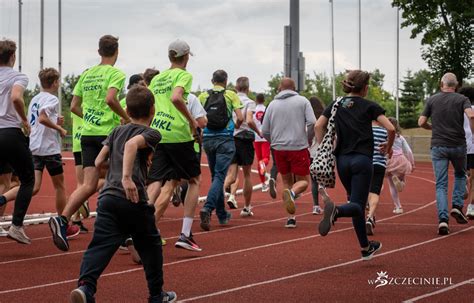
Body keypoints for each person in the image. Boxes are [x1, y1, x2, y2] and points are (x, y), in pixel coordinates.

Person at [70, 85, 176, 303]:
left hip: (107, 198)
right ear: (153, 110)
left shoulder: (115, 131)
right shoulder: (152, 133)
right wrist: (126, 177)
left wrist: (116, 169)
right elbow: (131, 145)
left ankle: (86, 287)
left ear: (127, 109)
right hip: (133, 198)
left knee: (99, 245)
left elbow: (99, 162)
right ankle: (157, 295)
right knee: (152, 245)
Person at [49, 35, 129, 251]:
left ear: (98, 51)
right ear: (117, 51)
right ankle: (122, 232)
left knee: (88, 184)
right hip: (108, 134)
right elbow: (111, 99)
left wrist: (90, 118)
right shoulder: (116, 74)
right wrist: (126, 119)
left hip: (87, 134)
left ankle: (62, 219)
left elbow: (74, 106)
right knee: (123, 178)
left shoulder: (87, 75)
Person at [315, 70, 395, 260]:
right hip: (362, 160)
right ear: (365, 88)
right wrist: (388, 146)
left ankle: (366, 247)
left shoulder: (336, 104)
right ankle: (336, 211)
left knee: (355, 202)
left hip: (342, 161)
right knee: (357, 205)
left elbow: (319, 125)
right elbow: (391, 128)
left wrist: (323, 148)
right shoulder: (369, 106)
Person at [146, 39, 202, 251]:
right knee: (195, 179)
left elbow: (150, 105)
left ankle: (143, 226)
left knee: (157, 182)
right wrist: (191, 121)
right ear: (186, 57)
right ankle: (186, 234)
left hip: (158, 133)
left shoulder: (157, 79)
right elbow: (177, 97)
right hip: (178, 133)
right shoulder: (183, 75)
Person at [418, 73, 474, 235]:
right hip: (458, 145)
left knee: (441, 184)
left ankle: (443, 220)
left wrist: (432, 128)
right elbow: (471, 115)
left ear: (441, 84)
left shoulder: (432, 100)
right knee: (460, 175)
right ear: (455, 85)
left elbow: (421, 122)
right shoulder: (462, 99)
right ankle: (457, 206)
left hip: (438, 146)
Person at [262, 78, 316, 228]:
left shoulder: (272, 104)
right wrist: (309, 139)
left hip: (279, 148)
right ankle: (292, 194)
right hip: (298, 146)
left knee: (286, 181)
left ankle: (291, 218)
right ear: (294, 88)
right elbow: (312, 122)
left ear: (280, 88)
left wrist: (273, 141)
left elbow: (265, 129)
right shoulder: (303, 101)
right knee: (304, 182)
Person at [199, 70, 243, 231]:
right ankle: (208, 208)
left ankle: (222, 215)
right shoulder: (231, 95)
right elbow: (241, 116)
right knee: (219, 176)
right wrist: (235, 127)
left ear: (212, 80)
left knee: (215, 177)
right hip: (225, 139)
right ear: (225, 81)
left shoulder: (203, 96)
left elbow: (198, 117)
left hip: (208, 139)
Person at [0, 39, 35, 244]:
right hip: (10, 133)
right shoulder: (18, 76)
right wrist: (24, 120)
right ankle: (16, 225)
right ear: (13, 57)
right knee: (28, 179)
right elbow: (15, 98)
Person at [224, 76, 261, 217]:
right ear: (248, 88)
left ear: (236, 87)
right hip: (244, 138)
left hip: (231, 137)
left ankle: (215, 198)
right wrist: (258, 132)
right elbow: (250, 120)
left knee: (231, 175)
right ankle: (246, 207)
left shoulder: (230, 100)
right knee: (246, 174)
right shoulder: (250, 102)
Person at [385, 117, 414, 215]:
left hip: (389, 160)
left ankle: (398, 206)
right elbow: (409, 151)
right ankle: (402, 183)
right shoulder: (400, 137)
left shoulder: (385, 136)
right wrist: (412, 164)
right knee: (402, 177)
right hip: (401, 160)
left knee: (391, 185)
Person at [365, 120, 388, 235]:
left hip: (366, 163)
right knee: (375, 191)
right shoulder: (384, 131)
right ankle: (370, 217)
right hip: (379, 164)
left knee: (366, 190)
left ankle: (369, 214)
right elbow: (389, 150)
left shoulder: (365, 130)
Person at [70, 112, 90, 234]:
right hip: (89, 141)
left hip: (77, 143)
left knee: (80, 183)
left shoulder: (76, 106)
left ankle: (76, 219)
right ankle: (84, 200)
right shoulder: (93, 102)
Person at [459, 86, 474, 219]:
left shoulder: (457, 110)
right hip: (473, 145)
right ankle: (471, 207)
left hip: (460, 145)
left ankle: (464, 180)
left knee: (463, 173)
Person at [308, 96, 325, 215]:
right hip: (323, 151)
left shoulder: (308, 119)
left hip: (310, 152)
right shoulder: (324, 119)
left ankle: (315, 206)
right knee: (324, 175)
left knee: (313, 180)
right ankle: (323, 187)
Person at [253, 93, 270, 192]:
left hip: (256, 137)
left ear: (256, 100)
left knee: (259, 160)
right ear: (264, 100)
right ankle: (263, 163)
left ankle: (263, 183)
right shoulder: (266, 110)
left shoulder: (253, 110)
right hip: (265, 137)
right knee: (265, 158)